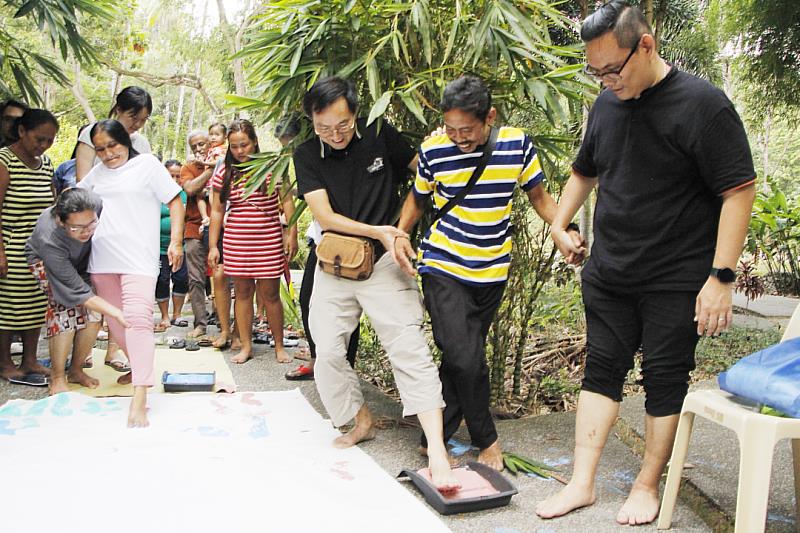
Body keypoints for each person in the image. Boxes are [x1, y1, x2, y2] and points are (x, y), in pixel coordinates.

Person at [535, 2, 756, 525]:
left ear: (647, 45)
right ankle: (583, 483)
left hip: (675, 277)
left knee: (664, 378)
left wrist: (721, 278)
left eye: (614, 69)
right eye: (597, 72)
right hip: (610, 271)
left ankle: (646, 484)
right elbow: (583, 171)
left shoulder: (703, 106)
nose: (607, 81)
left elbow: (738, 191)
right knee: (600, 371)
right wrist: (558, 225)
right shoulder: (607, 105)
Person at [395, 75, 581, 471]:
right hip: (443, 263)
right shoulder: (434, 149)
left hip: (492, 270)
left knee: (464, 357)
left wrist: (565, 229)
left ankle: (436, 436)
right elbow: (417, 199)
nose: (458, 138)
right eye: (451, 129)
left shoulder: (516, 144)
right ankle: (487, 439)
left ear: (490, 116)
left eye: (467, 130)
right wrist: (399, 235)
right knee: (465, 355)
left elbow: (540, 198)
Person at [293, 76, 458, 493]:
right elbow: (325, 216)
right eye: (324, 128)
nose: (335, 134)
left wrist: (438, 147)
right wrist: (378, 229)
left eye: (343, 125)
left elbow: (422, 171)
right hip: (335, 262)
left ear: (355, 113)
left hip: (386, 264)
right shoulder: (306, 153)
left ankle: (437, 448)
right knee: (327, 350)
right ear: (312, 121)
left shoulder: (380, 132)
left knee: (409, 349)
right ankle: (359, 418)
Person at [77, 119, 185, 427]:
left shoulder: (148, 166)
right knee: (116, 322)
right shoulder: (97, 174)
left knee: (138, 320)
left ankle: (140, 396)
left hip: (139, 258)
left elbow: (176, 201)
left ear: (126, 141)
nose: (108, 154)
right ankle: (140, 367)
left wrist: (176, 242)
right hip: (103, 259)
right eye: (100, 149)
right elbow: (72, 202)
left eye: (113, 145)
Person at [274, 115, 360, 382]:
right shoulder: (306, 160)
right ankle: (317, 360)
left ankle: (345, 369)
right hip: (320, 239)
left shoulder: (331, 156)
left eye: (290, 144)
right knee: (307, 299)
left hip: (349, 242)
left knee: (347, 308)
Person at [75, 86, 154, 371]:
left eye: (143, 119)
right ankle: (82, 351)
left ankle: (116, 349)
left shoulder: (141, 144)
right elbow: (82, 180)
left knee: (127, 295)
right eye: (134, 116)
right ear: (118, 109)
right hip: (98, 224)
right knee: (101, 290)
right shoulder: (92, 134)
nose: (137, 124)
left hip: (131, 231)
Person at [207, 119, 298, 364]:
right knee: (243, 293)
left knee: (270, 294)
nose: (240, 151)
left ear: (255, 141)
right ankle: (246, 346)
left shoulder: (273, 166)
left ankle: (279, 345)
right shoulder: (224, 171)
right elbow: (216, 211)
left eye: (244, 145)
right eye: (235, 146)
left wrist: (292, 233)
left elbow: (288, 201)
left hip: (268, 238)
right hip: (236, 240)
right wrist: (214, 245)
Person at [25, 188, 130, 394]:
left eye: (91, 224)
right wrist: (116, 312)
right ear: (60, 221)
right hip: (48, 263)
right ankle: (57, 377)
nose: (86, 231)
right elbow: (77, 290)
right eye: (77, 227)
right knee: (65, 311)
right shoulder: (49, 237)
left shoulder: (95, 205)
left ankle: (76, 369)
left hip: (83, 259)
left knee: (93, 314)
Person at [0, 108, 58, 385]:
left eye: (49, 140)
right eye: (39, 139)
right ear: (22, 131)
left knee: (35, 305)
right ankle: (5, 362)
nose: (43, 145)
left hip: (38, 249)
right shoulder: (4, 161)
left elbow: (52, 205)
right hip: (9, 247)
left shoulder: (46, 164)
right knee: (9, 307)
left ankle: (30, 359)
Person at [178, 131, 213, 338]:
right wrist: (210, 170)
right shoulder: (188, 168)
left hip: (223, 226)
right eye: (194, 146)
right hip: (193, 228)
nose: (199, 149)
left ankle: (230, 326)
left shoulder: (225, 162)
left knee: (226, 277)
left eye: (202, 144)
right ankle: (200, 323)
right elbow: (190, 189)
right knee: (195, 278)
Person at [155, 160, 189, 332]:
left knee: (181, 279)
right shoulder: (156, 194)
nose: (175, 180)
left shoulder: (184, 195)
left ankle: (177, 314)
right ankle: (164, 316)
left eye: (178, 176)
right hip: (158, 247)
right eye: (171, 176)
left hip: (180, 246)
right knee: (161, 280)